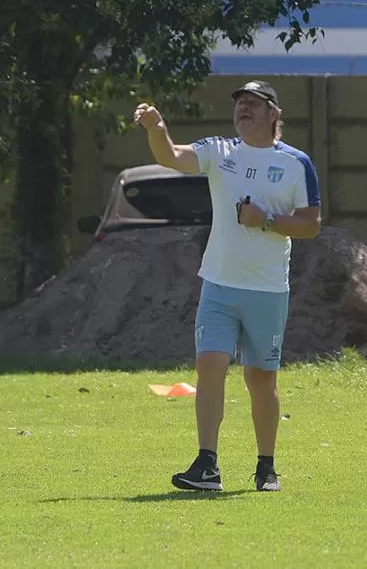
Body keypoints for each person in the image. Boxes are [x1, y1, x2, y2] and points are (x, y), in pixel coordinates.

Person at [132, 80, 322, 492]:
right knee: (210, 367)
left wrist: (266, 221)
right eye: (240, 104)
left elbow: (310, 224)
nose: (244, 110)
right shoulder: (220, 152)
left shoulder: (295, 163)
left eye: (254, 104)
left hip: (268, 290)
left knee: (260, 380)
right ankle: (207, 464)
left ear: (274, 113)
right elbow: (173, 156)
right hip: (218, 283)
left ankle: (266, 465)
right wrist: (156, 128)